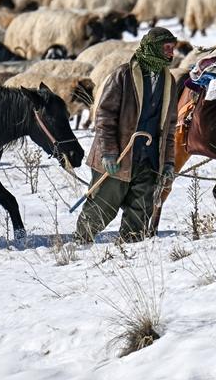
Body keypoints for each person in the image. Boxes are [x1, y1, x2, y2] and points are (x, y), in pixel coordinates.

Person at [74, 27, 180, 243]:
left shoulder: (169, 81)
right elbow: (104, 116)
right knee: (103, 206)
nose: (171, 53)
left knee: (140, 210)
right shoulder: (123, 75)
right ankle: (79, 244)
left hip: (149, 157)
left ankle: (131, 253)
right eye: (167, 48)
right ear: (153, 47)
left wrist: (168, 162)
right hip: (119, 156)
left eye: (173, 48)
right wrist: (109, 153)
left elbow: (169, 127)